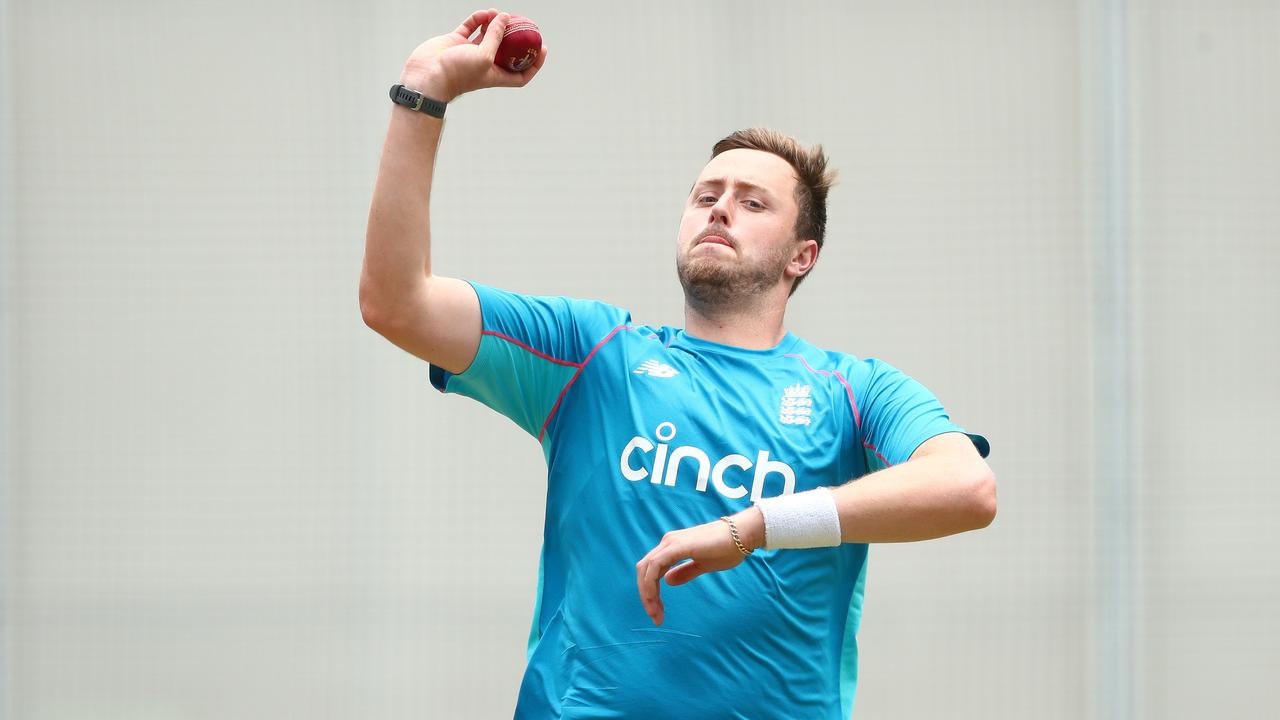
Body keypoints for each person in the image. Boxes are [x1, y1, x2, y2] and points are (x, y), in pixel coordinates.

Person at [361, 10, 997, 719]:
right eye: (706, 196)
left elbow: (967, 488)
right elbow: (397, 303)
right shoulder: (592, 353)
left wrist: (751, 528)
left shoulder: (855, 391)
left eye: (752, 203)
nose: (720, 210)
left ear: (801, 257)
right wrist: (423, 91)